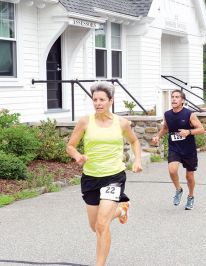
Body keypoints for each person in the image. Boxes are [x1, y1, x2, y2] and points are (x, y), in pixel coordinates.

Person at [66, 82, 143, 266]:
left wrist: (137, 160)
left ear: (111, 101)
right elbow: (70, 146)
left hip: (113, 177)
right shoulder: (85, 121)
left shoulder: (121, 123)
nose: (98, 103)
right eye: (95, 100)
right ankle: (121, 209)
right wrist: (78, 156)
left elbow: (134, 141)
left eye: (102, 100)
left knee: (102, 225)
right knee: (94, 226)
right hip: (91, 178)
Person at [152, 90, 205, 210]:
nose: (174, 99)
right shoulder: (167, 114)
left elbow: (201, 129)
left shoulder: (189, 114)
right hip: (174, 148)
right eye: (172, 97)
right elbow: (165, 128)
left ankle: (190, 196)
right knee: (172, 170)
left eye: (177, 97)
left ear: (182, 101)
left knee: (189, 176)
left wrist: (189, 132)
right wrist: (157, 136)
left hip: (188, 149)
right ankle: (178, 189)